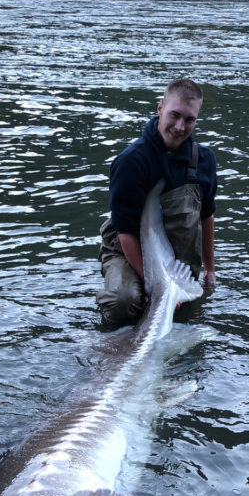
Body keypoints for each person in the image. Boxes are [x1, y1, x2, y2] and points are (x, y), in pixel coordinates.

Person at [97, 77, 217, 326]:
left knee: (188, 314)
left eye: (189, 119)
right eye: (174, 115)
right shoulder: (131, 162)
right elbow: (126, 233)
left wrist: (210, 270)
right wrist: (157, 287)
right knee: (125, 302)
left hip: (177, 256)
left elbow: (207, 215)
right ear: (160, 108)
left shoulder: (204, 160)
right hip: (129, 251)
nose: (180, 127)